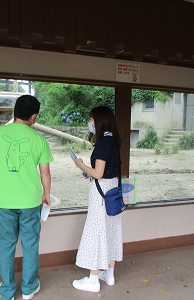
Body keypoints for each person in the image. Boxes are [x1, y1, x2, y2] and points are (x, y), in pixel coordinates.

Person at [0, 95, 53, 300]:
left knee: (6, 244)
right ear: (34, 116)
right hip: (31, 202)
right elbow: (45, 173)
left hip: (4, 201)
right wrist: (46, 194)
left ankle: (7, 291)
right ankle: (29, 289)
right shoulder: (38, 139)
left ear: (15, 111)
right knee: (30, 245)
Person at [72, 106, 123, 292]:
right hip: (112, 193)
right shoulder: (114, 141)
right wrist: (90, 174)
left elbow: (99, 173)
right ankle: (109, 274)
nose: (90, 123)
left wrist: (80, 164)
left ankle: (93, 280)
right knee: (111, 231)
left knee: (96, 232)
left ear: (99, 121)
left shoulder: (102, 144)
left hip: (100, 195)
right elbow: (108, 172)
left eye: (91, 119)